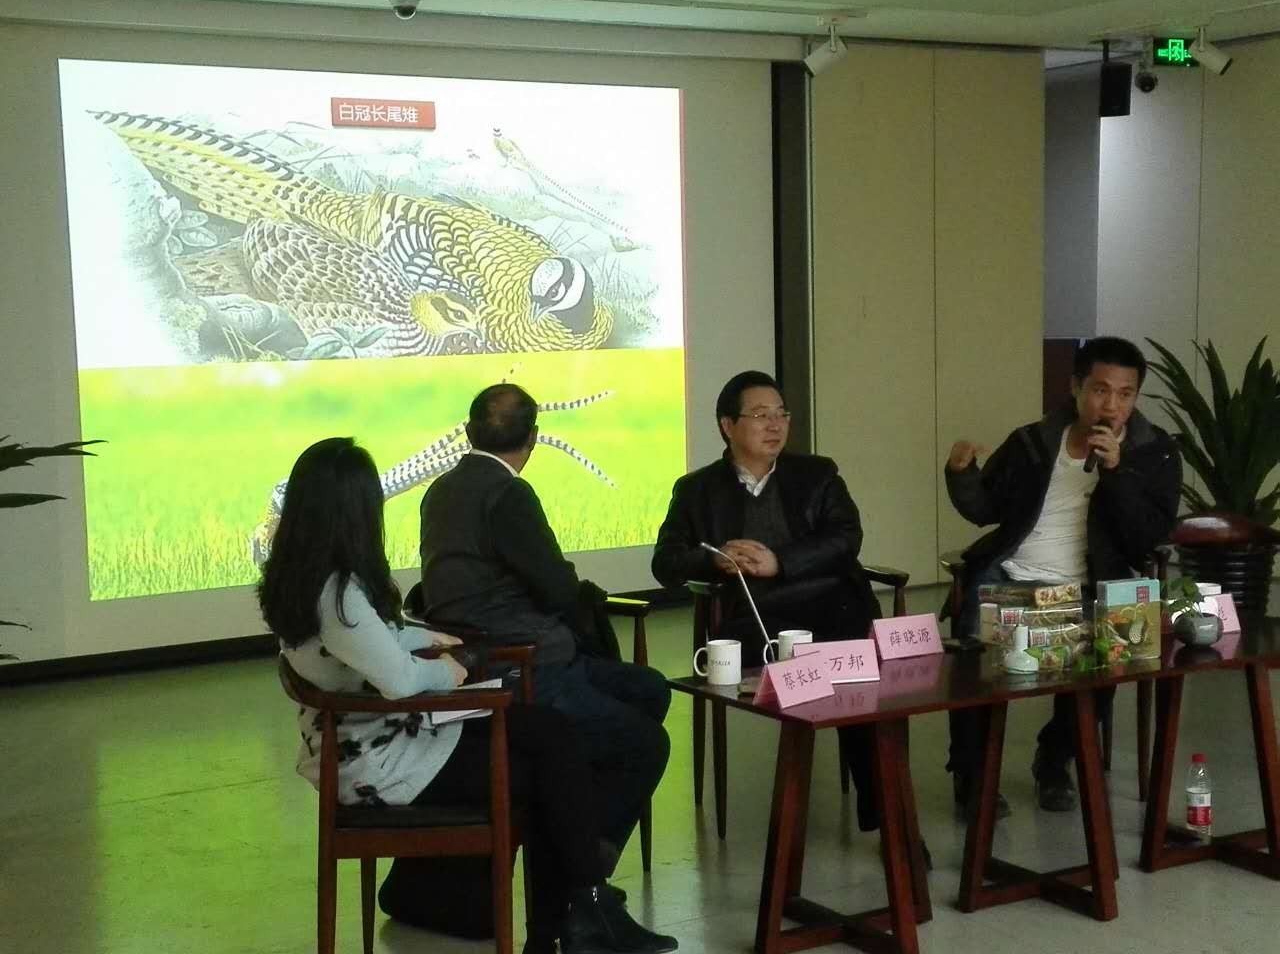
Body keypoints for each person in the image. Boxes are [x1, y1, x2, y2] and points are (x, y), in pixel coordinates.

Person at [260, 437, 676, 954]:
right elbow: (401, 682)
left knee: (551, 734)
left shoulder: (306, 580)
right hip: (381, 763)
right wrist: (452, 671)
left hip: (377, 742)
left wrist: (429, 639)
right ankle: (573, 916)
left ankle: (579, 911)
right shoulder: (338, 593)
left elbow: (379, 640)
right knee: (553, 765)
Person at [419, 385, 672, 880]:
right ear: (533, 438)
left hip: (484, 660)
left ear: (469, 432)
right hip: (528, 667)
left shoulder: (440, 489)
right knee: (644, 742)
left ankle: (574, 818)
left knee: (648, 689)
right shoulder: (509, 494)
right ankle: (579, 871)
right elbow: (556, 588)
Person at [945, 337, 1181, 813]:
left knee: (1119, 648)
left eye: (1124, 393)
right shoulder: (1032, 442)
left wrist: (1117, 472)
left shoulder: (1156, 453)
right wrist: (960, 472)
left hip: (1096, 587)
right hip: (1016, 577)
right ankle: (972, 775)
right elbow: (984, 508)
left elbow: (1147, 539)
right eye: (1099, 389)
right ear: (1075, 388)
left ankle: (1055, 757)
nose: (1111, 404)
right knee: (978, 665)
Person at [650, 370, 883, 832]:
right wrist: (713, 559)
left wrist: (781, 560)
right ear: (727, 426)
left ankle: (886, 813)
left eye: (781, 415)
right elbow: (666, 563)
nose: (774, 425)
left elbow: (846, 537)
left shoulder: (818, 474)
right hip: (754, 625)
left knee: (864, 691)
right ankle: (792, 829)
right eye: (760, 415)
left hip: (831, 611)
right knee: (812, 675)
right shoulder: (696, 489)